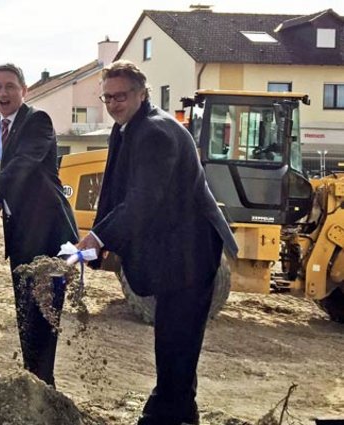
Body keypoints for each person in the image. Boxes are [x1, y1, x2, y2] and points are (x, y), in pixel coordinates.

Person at [76, 60, 238, 425]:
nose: (114, 103)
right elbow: (116, 193)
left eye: (121, 95)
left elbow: (142, 199)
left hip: (190, 252)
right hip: (172, 251)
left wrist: (99, 236)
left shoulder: (155, 132)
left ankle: (165, 414)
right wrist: (101, 241)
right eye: (108, 97)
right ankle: (180, 412)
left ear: (142, 94)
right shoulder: (127, 128)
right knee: (174, 343)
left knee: (176, 344)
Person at [0, 63, 78, 387]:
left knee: (44, 320)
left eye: (9, 86)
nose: (2, 93)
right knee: (25, 319)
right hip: (20, 238)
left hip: (50, 236)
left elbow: (23, 166)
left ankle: (44, 391)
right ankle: (35, 388)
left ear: (24, 90)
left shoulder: (38, 122)